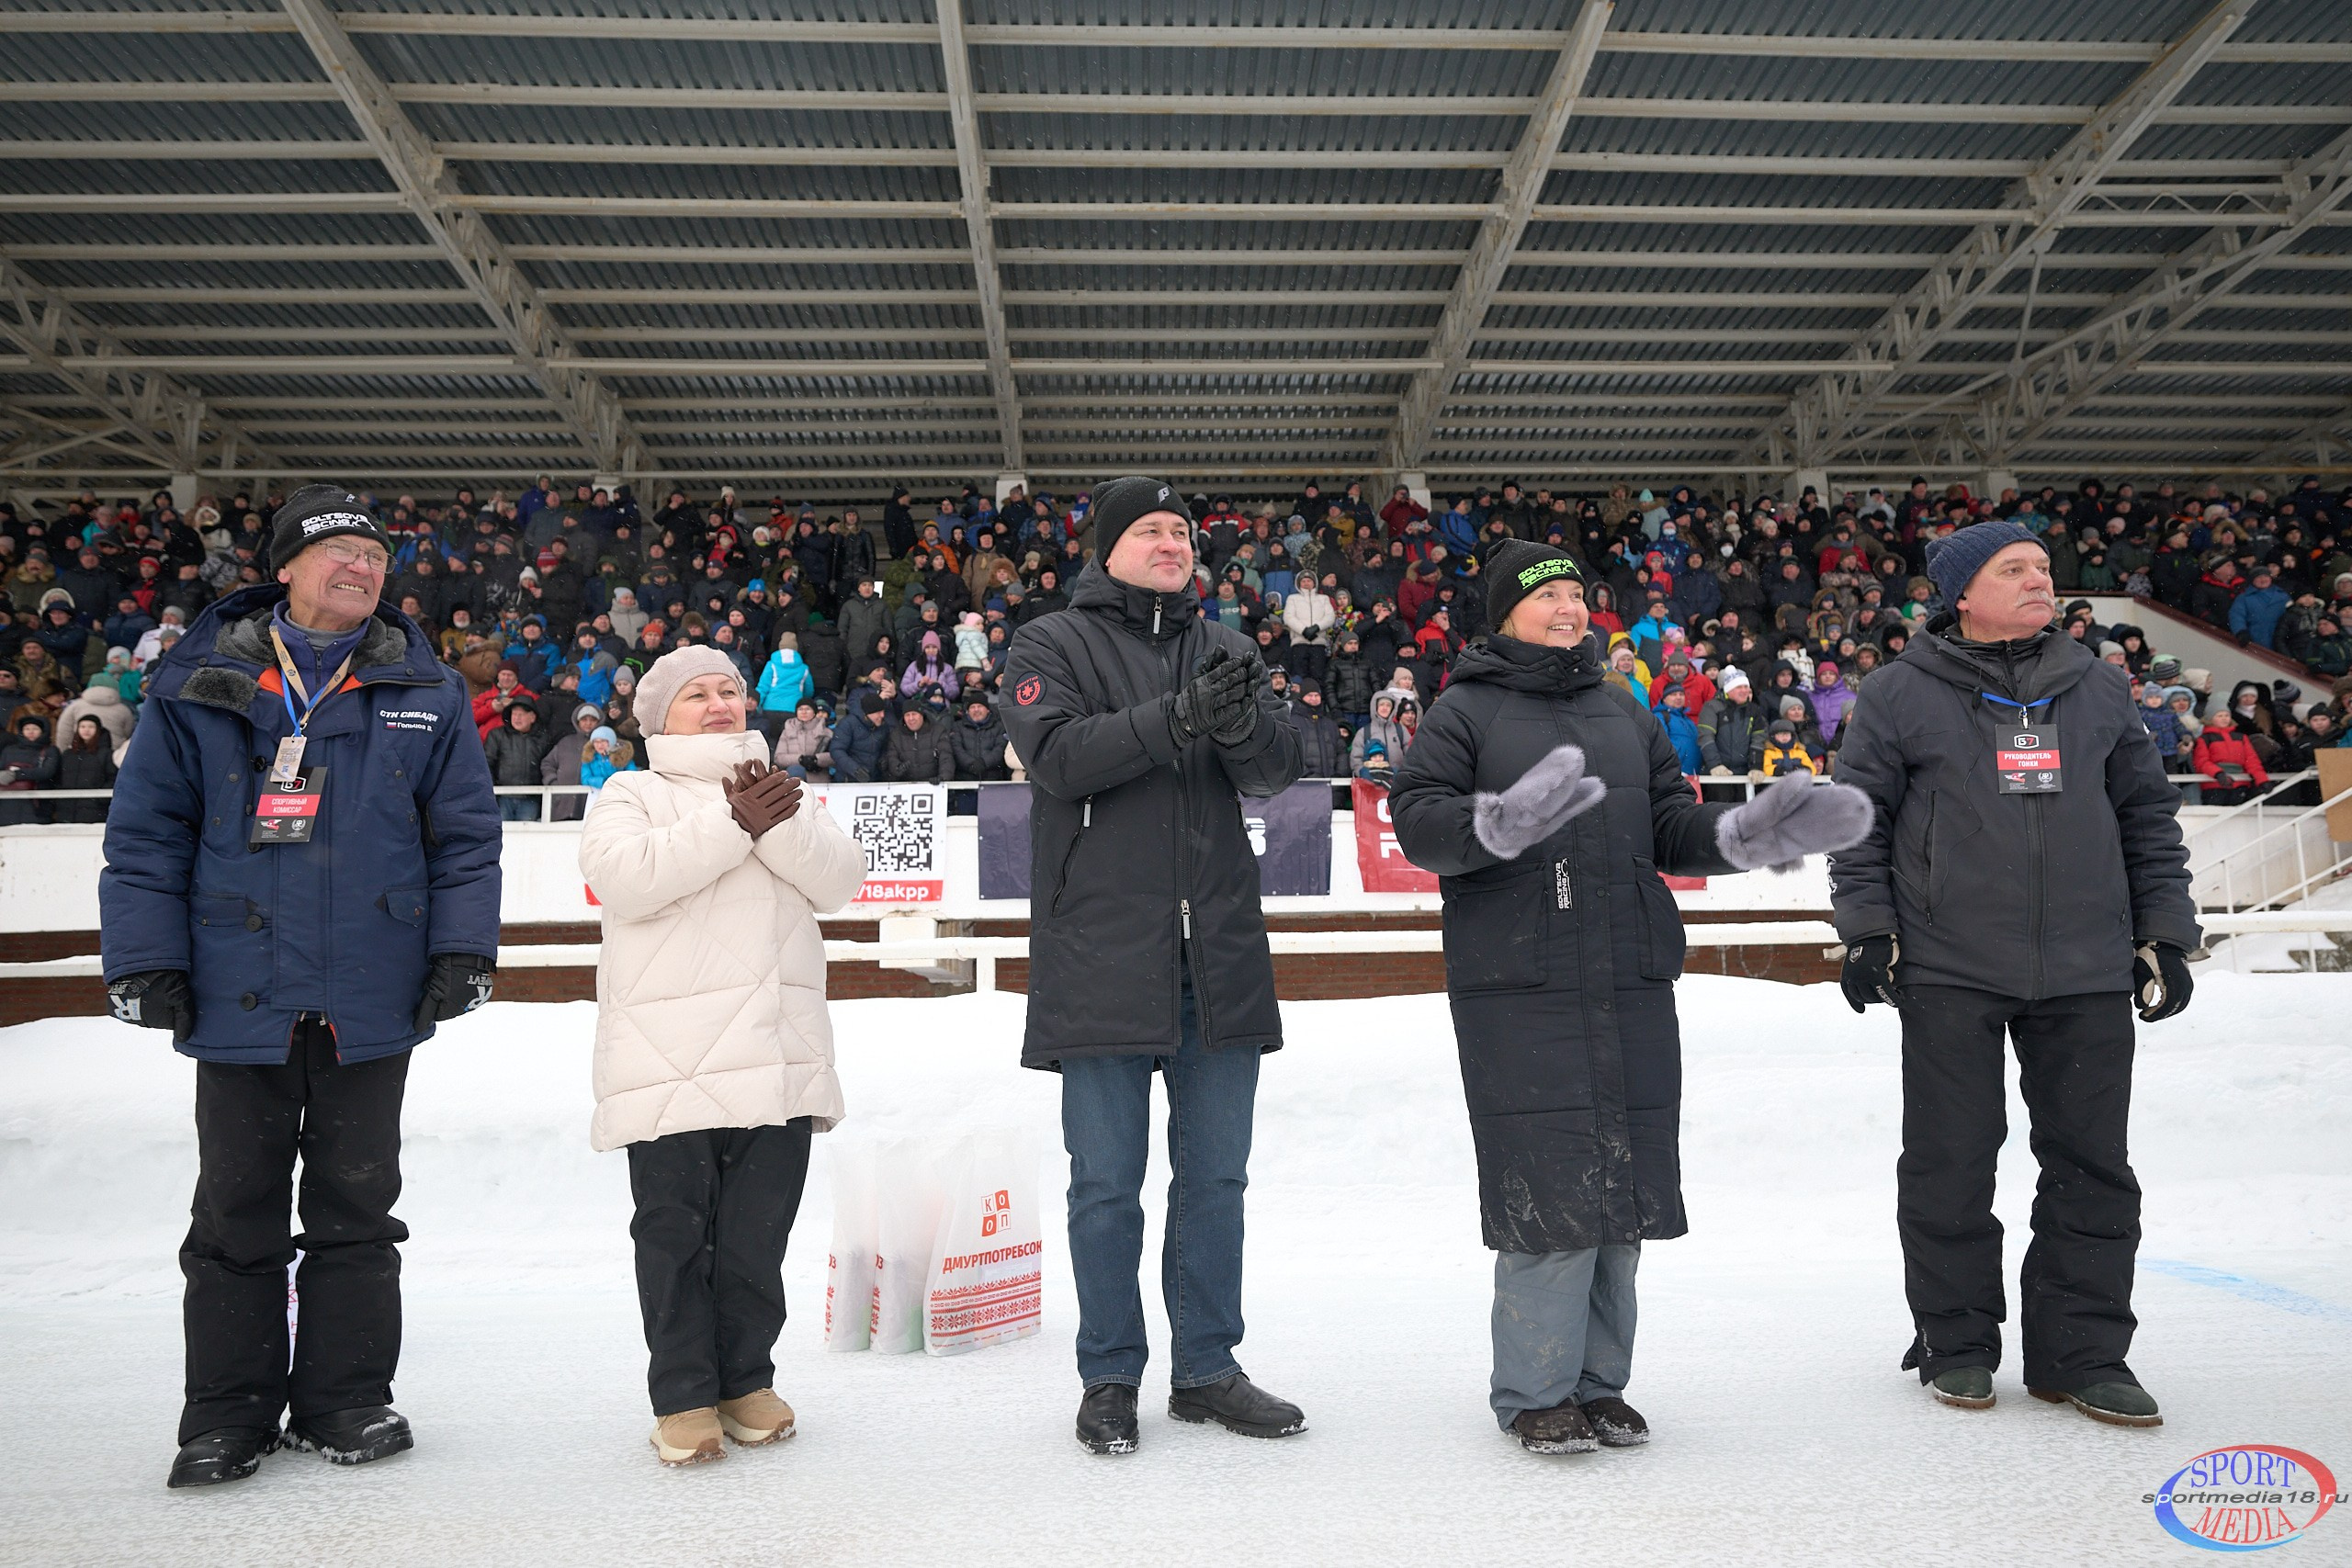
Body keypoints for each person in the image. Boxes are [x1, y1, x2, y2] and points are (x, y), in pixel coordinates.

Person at [1390, 540, 1871, 1455]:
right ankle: (1535, 1392)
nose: (1569, 608)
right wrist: (1493, 822)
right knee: (1550, 1190)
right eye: (1548, 596)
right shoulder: (1466, 710)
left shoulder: (1621, 708)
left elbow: (1665, 821)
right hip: (1521, 982)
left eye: (1577, 592)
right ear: (1504, 614)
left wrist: (1742, 832)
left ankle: (1599, 1385)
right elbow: (1418, 818)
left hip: (1624, 973)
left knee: (1622, 1191)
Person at [97, 484, 500, 1489]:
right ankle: (226, 1414)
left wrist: (463, 951)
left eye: (374, 555)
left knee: (357, 1208)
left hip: (371, 991)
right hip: (240, 988)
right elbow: (146, 836)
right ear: (283, 568)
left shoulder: (425, 688)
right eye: (340, 554)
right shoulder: (200, 682)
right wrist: (144, 960)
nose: (362, 569)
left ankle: (345, 1400)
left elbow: (464, 840)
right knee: (235, 1211)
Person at [1829, 518, 2200, 1429]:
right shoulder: (1896, 693)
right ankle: (1955, 1343)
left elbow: (2146, 818)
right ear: (1962, 594)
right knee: (1950, 1161)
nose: (2040, 581)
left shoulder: (2097, 687)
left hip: (2085, 966)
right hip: (1948, 963)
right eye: (2014, 569)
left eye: (2043, 566)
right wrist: (1867, 930)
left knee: (2091, 1165)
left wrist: (2164, 932)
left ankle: (2083, 1355)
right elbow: (1858, 821)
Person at [997, 476, 1307, 1457]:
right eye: (1149, 530)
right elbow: (1056, 759)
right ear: (1106, 549)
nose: (1171, 542)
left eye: (1181, 530)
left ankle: (1208, 1369)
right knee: (1106, 1186)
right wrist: (1173, 718)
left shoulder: (1227, 646)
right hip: (1100, 953)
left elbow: (1272, 770)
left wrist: (1234, 722)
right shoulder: (1052, 642)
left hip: (1215, 952)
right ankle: (1109, 1375)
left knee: (1216, 1180)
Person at [578, 647, 865, 1466]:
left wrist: (768, 818)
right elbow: (626, 879)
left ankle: (745, 1380)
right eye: (696, 694)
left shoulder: (782, 793)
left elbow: (840, 879)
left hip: (777, 1056)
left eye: (730, 691)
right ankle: (682, 1395)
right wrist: (732, 820)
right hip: (667, 1058)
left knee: (754, 1239)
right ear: (657, 716)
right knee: (673, 1236)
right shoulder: (632, 792)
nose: (718, 704)